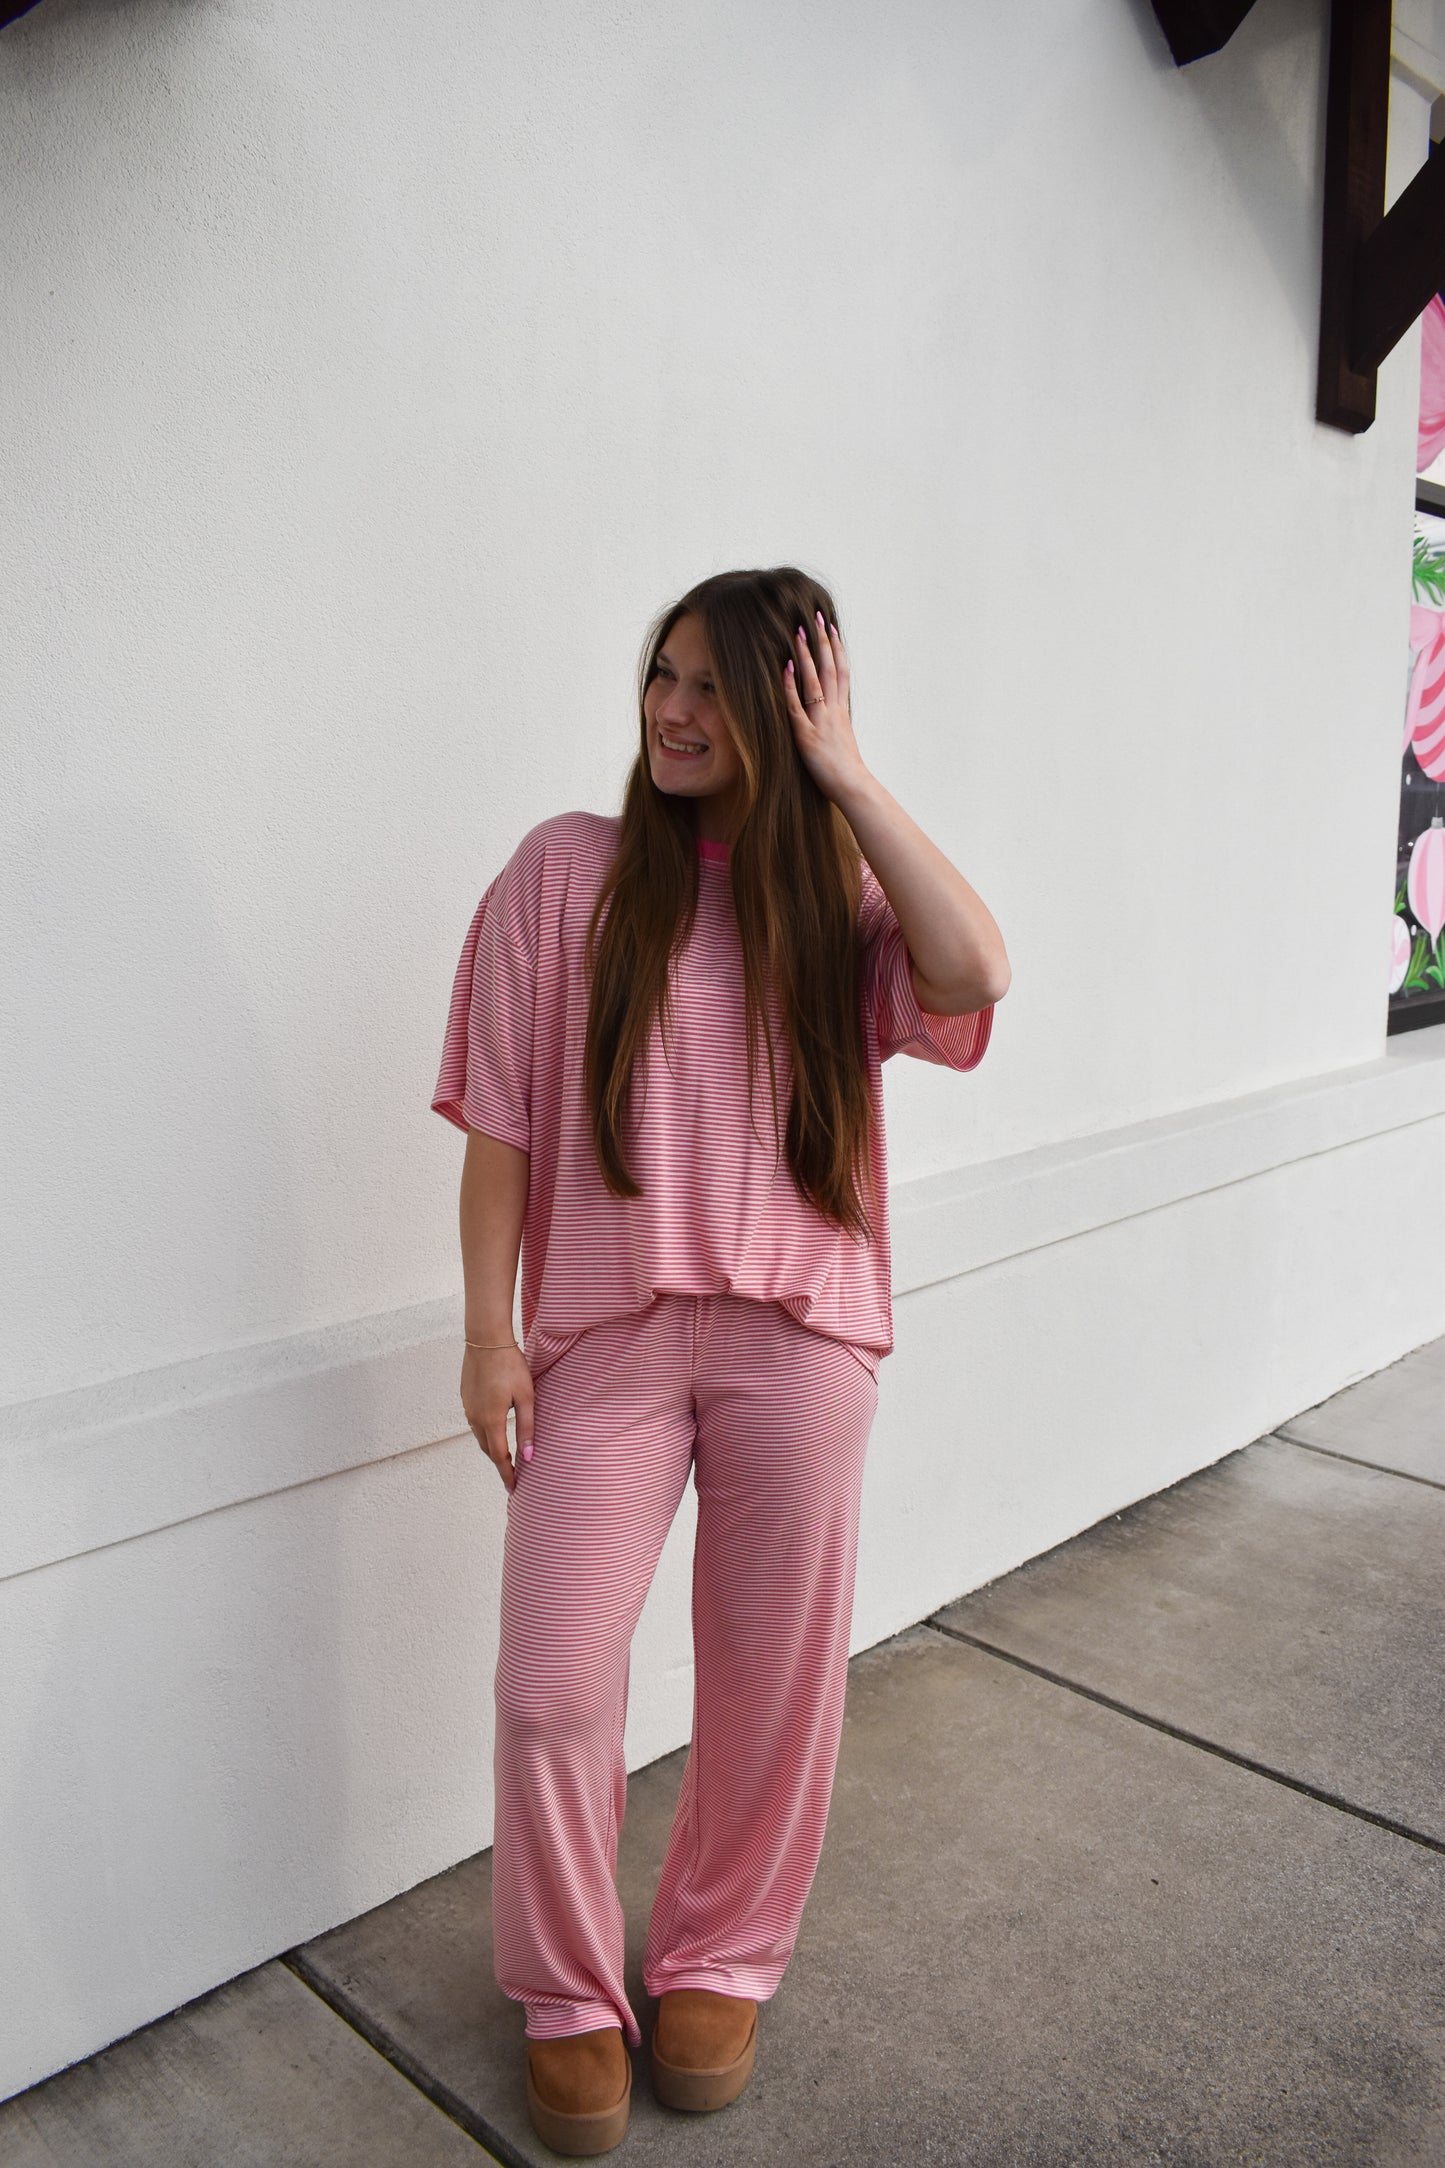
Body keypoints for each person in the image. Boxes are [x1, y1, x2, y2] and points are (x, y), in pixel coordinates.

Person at [430, 566, 1010, 2156]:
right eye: (661, 675)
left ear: (788, 709)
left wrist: (846, 780)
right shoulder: (567, 877)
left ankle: (717, 1955)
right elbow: (495, 1122)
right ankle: (562, 1987)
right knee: (553, 1685)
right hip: (603, 1339)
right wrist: (488, 1335)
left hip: (799, 1334)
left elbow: (973, 972)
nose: (674, 710)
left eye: (713, 687)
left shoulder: (830, 903)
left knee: (771, 1687)